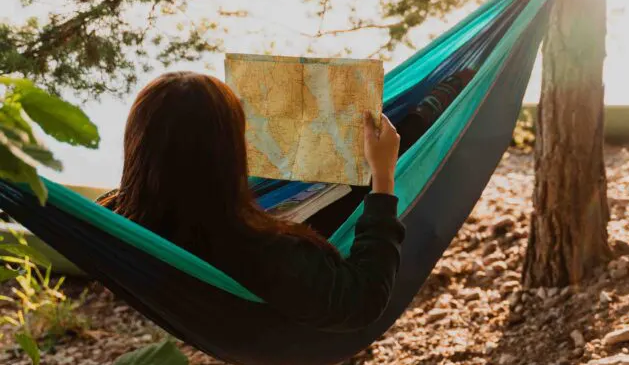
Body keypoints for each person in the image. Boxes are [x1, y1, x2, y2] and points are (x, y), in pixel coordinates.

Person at [98, 72, 403, 331]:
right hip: (288, 303)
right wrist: (384, 177)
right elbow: (364, 300)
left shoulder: (113, 226)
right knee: (413, 124)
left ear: (137, 143)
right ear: (228, 151)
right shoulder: (269, 255)